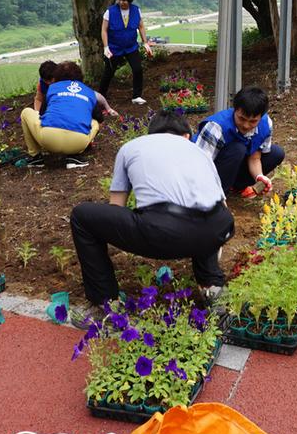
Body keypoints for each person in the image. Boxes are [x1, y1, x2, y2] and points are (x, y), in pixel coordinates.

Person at [69, 110, 233, 312]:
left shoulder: (132, 147)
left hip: (164, 232)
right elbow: (222, 206)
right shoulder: (198, 151)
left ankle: (105, 302)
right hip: (220, 226)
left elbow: (116, 207)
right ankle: (212, 286)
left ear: (150, 134)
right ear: (186, 135)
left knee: (82, 216)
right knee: (202, 215)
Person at [18, 61, 117, 169]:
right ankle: (75, 156)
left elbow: (42, 114)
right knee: (95, 122)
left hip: (49, 139)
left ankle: (35, 157)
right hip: (78, 142)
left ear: (57, 76)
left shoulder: (52, 88)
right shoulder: (89, 92)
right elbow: (99, 118)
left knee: (26, 112)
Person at [192, 86, 285, 199]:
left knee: (276, 153)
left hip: (234, 164)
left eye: (253, 121)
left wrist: (259, 176)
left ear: (261, 117)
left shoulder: (266, 124)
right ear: (235, 110)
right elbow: (199, 166)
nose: (246, 125)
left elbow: (255, 158)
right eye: (241, 119)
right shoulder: (216, 127)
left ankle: (237, 186)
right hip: (211, 168)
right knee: (238, 149)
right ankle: (218, 194)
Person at [99, 0, 152, 105]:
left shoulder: (136, 10)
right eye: (121, 0)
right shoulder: (110, 12)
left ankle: (136, 96)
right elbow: (104, 30)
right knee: (109, 73)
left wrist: (145, 43)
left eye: (126, 0)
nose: (123, 2)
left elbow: (141, 26)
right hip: (114, 48)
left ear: (130, 0)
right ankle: (101, 97)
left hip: (131, 47)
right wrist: (106, 47)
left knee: (138, 69)